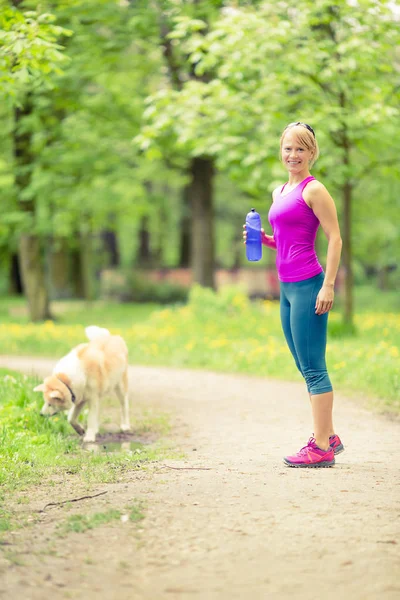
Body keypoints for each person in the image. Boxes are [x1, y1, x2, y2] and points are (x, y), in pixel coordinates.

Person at [243, 122, 343, 468]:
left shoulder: (315, 190)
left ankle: (320, 447)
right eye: (288, 148)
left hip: (309, 285)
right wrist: (265, 240)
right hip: (286, 288)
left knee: (314, 368)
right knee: (304, 366)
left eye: (301, 149)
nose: (293, 155)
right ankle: (328, 435)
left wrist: (328, 284)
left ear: (312, 152)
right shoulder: (279, 192)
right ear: (280, 151)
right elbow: (287, 238)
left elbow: (335, 238)